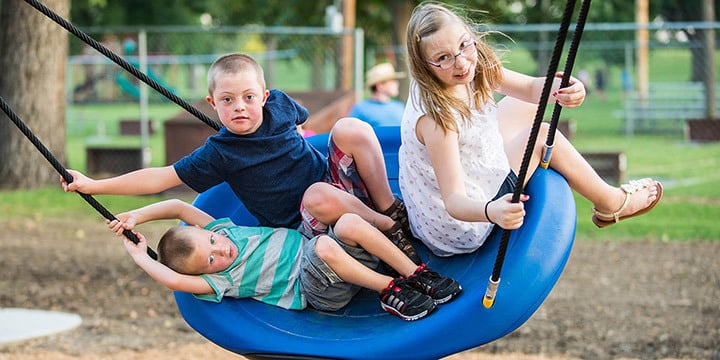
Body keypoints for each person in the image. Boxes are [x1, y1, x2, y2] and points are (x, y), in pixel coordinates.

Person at [61, 53, 421, 264]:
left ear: (264, 96)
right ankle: (387, 229)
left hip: (333, 184)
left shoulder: (280, 104)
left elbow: (303, 122)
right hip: (307, 222)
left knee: (351, 127)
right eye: (228, 100)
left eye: (249, 97)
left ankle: (390, 210)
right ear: (212, 104)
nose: (240, 108)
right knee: (317, 196)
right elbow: (162, 177)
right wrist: (93, 184)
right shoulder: (221, 153)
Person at [399, 2, 663, 257]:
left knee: (527, 105)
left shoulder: (469, 67)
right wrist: (492, 211)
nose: (460, 62)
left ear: (470, 35)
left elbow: (530, 89)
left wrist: (567, 90)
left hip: (470, 171)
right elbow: (454, 201)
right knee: (541, 137)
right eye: (443, 58)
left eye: (464, 44)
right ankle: (610, 202)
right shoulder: (437, 120)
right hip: (462, 223)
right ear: (424, 67)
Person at [108, 199, 461, 321]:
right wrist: (140, 256)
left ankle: (416, 273)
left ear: (211, 230)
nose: (221, 251)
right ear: (208, 273)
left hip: (334, 259)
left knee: (349, 223)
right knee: (322, 246)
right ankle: (391, 289)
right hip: (319, 289)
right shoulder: (221, 282)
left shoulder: (227, 232)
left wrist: (137, 216)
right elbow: (173, 281)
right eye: (212, 259)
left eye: (212, 240)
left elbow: (178, 208)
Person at [348, 62, 406, 127]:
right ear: (380, 86)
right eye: (392, 81)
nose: (397, 84)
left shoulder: (400, 107)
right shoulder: (360, 110)